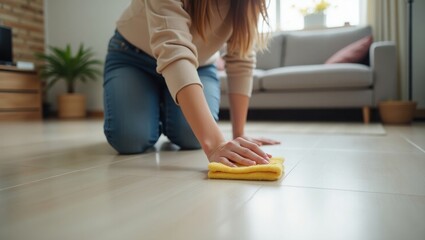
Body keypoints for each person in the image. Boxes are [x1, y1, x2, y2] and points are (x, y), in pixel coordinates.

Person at [103, 0, 280, 167]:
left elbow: (241, 58)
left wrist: (239, 134)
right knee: (130, 139)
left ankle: (168, 100)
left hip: (198, 66)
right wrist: (216, 144)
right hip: (134, 58)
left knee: (193, 138)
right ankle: (157, 103)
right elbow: (173, 49)